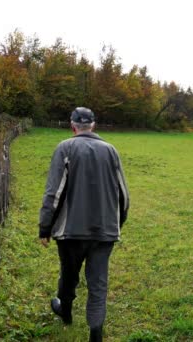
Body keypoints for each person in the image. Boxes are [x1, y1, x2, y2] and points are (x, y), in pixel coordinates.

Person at [38, 107, 130, 341]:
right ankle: (95, 333)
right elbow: (123, 195)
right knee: (98, 283)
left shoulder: (65, 148)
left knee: (69, 276)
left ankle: (65, 311)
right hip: (104, 232)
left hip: (71, 232)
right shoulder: (111, 150)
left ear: (72, 126)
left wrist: (45, 227)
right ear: (93, 125)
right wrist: (117, 223)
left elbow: (53, 193)